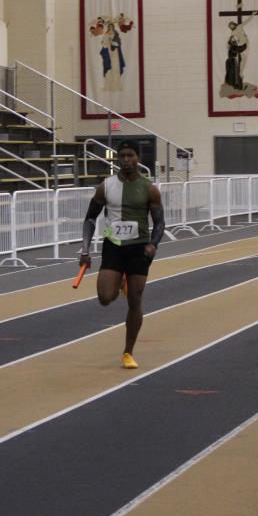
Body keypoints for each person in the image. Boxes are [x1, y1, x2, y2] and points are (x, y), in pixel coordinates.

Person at [78, 141, 164, 370]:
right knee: (105, 298)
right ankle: (120, 282)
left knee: (135, 300)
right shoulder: (106, 187)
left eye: (130, 155)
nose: (126, 160)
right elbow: (89, 219)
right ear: (117, 158)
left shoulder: (149, 189)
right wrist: (85, 250)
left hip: (139, 248)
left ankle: (128, 352)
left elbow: (159, 222)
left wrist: (153, 244)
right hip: (113, 245)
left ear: (137, 158)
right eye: (122, 155)